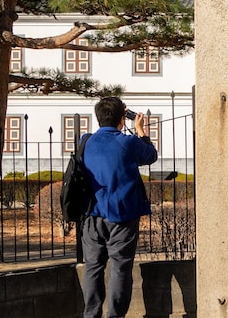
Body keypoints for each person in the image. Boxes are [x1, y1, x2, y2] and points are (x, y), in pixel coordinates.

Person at [80, 96, 158, 318]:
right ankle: (115, 315)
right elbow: (150, 156)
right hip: (122, 213)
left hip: (92, 213)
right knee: (120, 268)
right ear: (122, 119)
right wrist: (140, 130)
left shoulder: (85, 141)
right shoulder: (128, 142)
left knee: (93, 267)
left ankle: (91, 314)